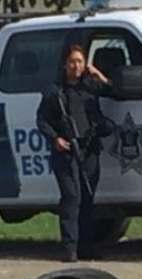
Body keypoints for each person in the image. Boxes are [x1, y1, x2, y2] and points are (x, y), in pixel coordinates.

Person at [36, 45, 114, 262]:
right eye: (72, 61)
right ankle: (69, 248)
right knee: (72, 198)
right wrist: (55, 139)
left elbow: (114, 91)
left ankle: (86, 247)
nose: (76, 66)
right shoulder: (55, 92)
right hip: (66, 151)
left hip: (89, 149)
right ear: (64, 64)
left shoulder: (90, 86)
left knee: (88, 199)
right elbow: (42, 119)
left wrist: (100, 76)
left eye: (80, 61)